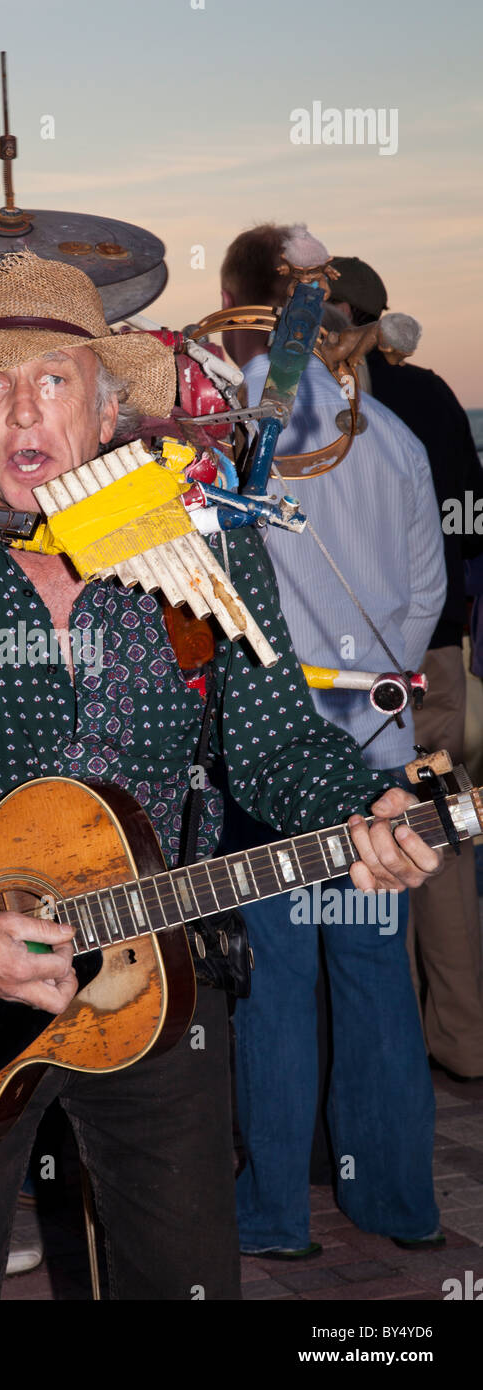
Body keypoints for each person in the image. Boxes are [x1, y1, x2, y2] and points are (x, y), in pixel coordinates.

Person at [0, 250, 441, 1300]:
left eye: (54, 380)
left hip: (156, 986)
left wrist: (364, 810)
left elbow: (275, 745)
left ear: (107, 410)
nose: (24, 410)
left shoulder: (200, 556)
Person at [220, 224, 447, 1258]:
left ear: (237, 311)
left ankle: (272, 1211)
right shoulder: (392, 437)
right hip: (378, 735)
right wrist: (374, 703)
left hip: (273, 739)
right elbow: (425, 599)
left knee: (273, 983)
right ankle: (395, 1201)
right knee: (373, 972)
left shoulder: (242, 427)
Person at [328, 255, 483, 1082]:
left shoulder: (348, 404)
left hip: (365, 669)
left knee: (369, 844)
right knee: (445, 838)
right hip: (441, 651)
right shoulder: (437, 398)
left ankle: (381, 1064)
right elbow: (469, 518)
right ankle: (461, 1036)